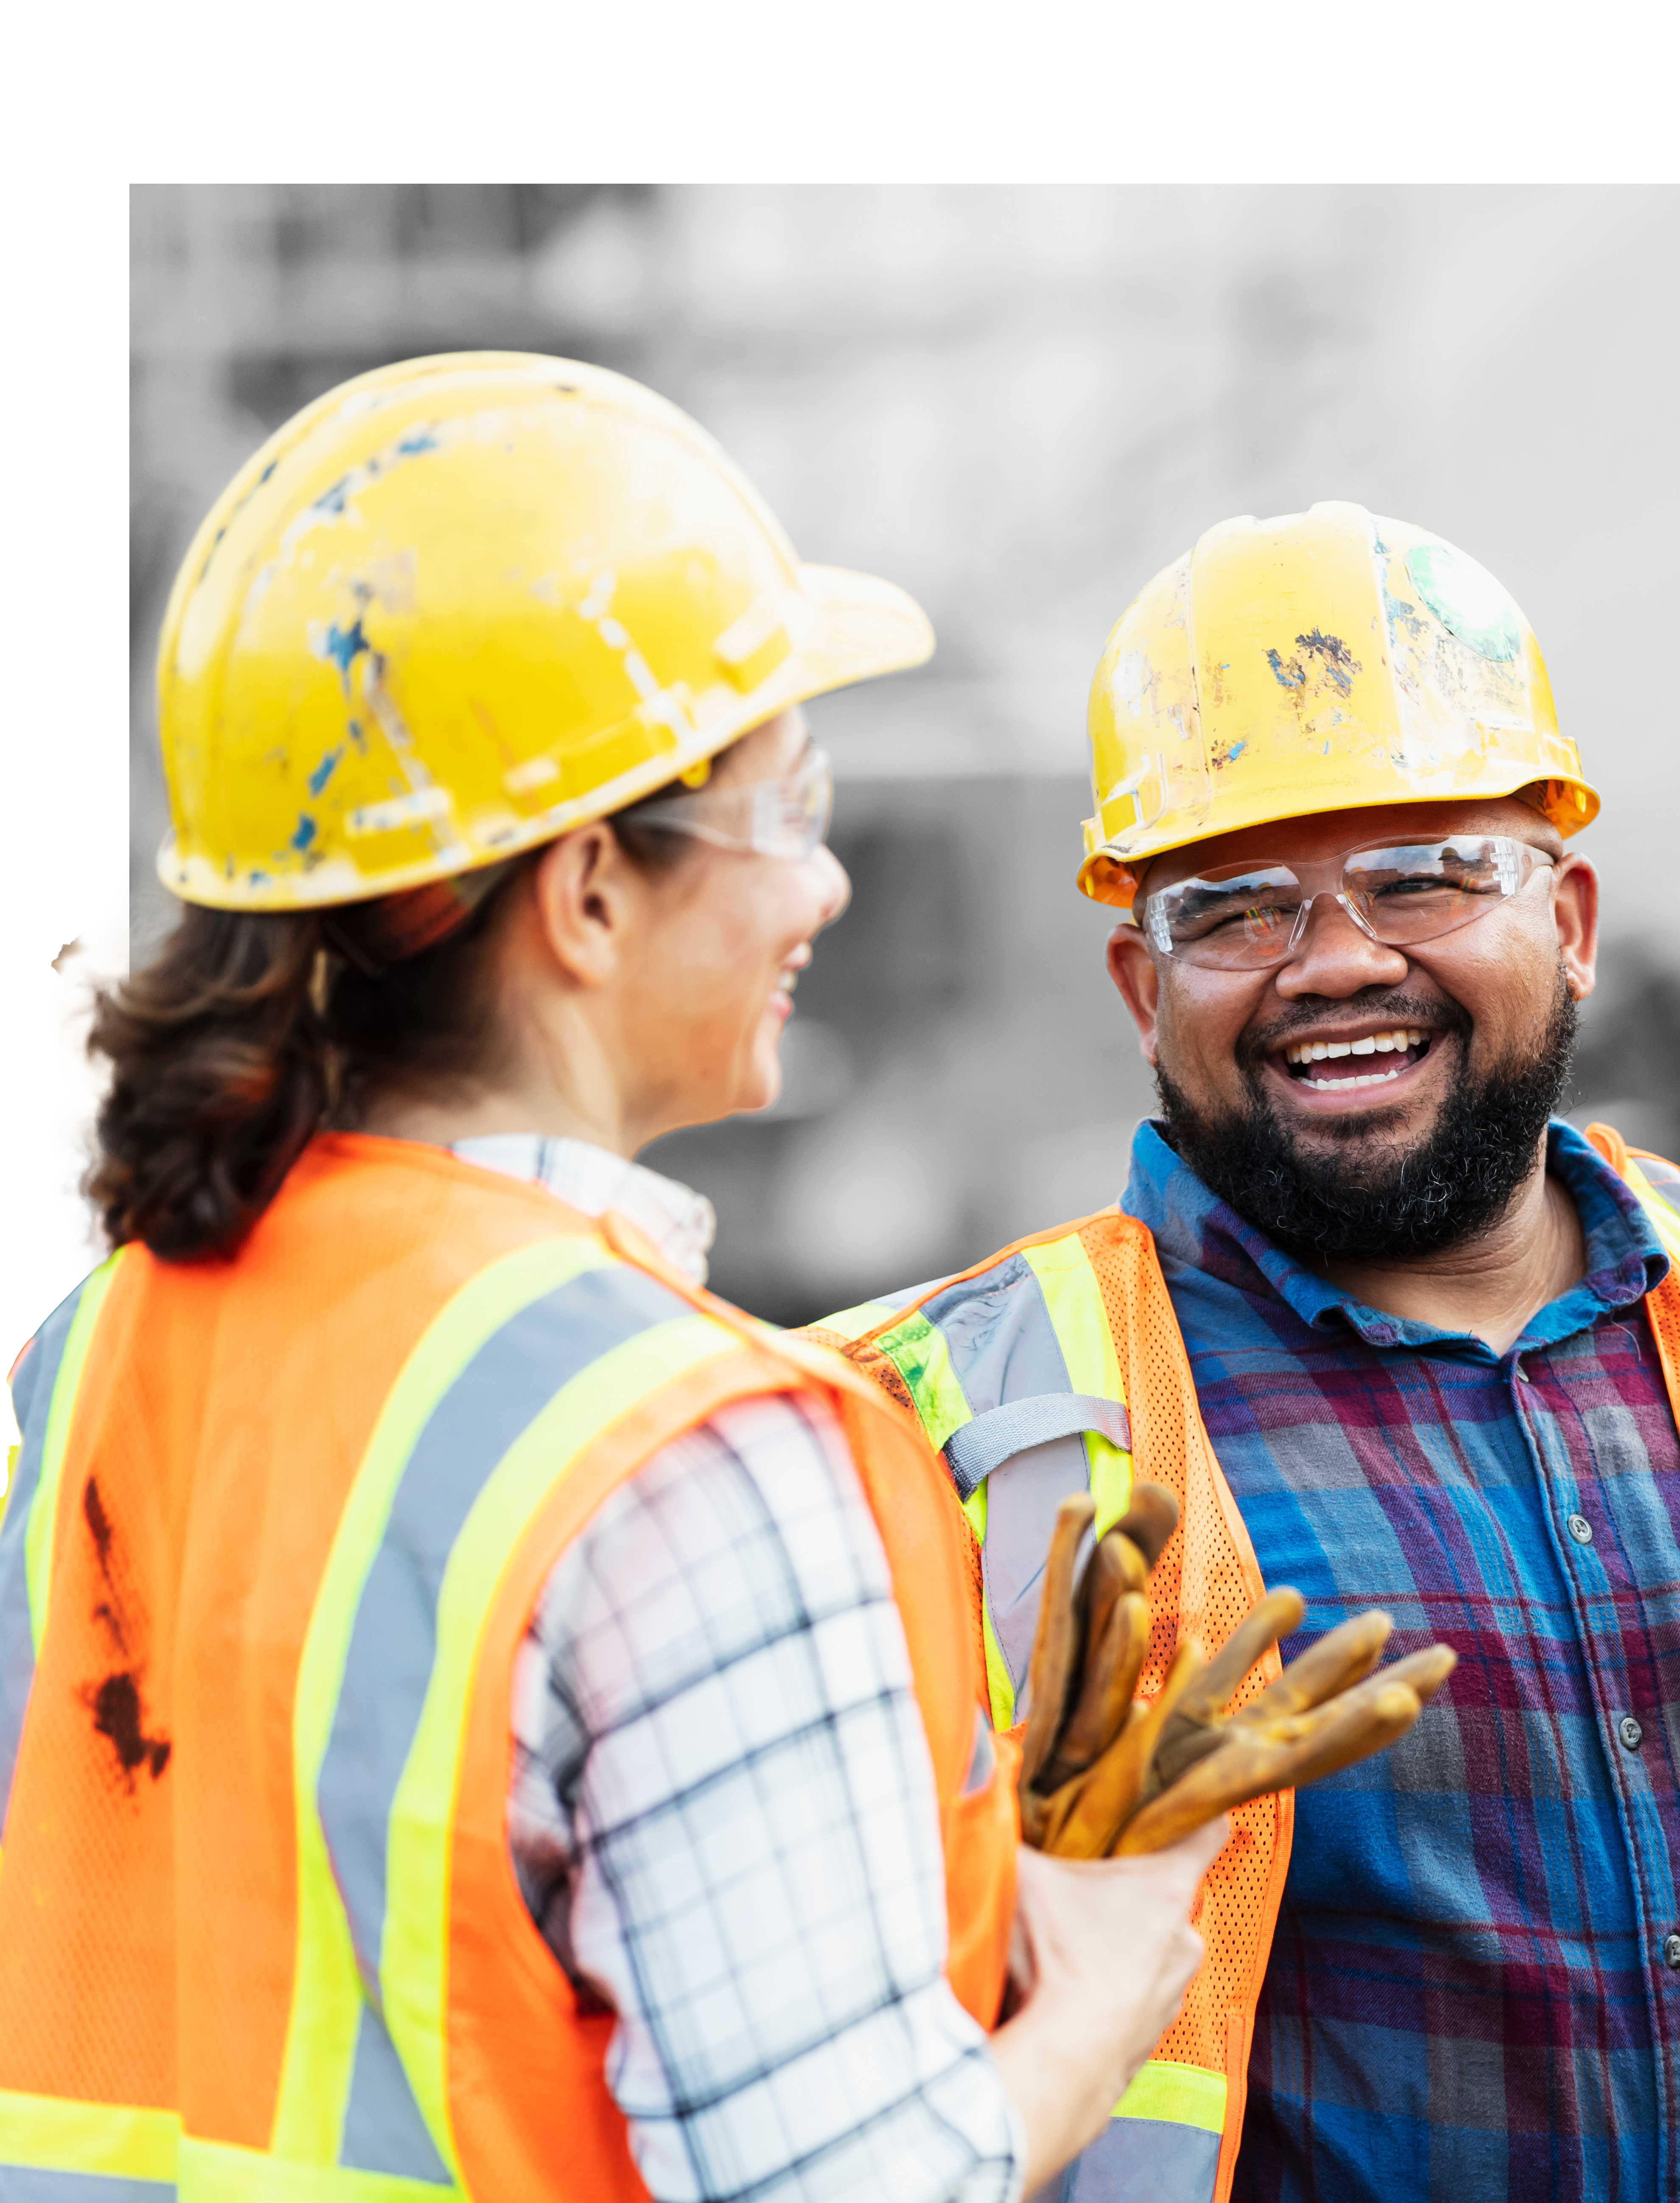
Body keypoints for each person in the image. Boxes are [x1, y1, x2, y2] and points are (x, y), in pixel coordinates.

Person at [807, 503, 1680, 2200]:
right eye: (1234, 908)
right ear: (1132, 986)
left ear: (1574, 918)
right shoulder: (927, 1447)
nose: (1335, 961)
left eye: (1422, 875)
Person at [0, 352, 1225, 2202]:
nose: (820, 889)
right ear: (585, 894)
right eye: (789, 805)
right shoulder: (694, 1449)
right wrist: (1104, 1984)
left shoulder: (103, 1344)